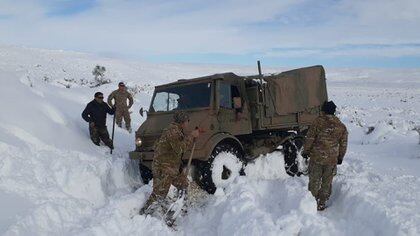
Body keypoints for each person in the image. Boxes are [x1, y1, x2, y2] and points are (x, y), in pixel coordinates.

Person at [140, 111, 200, 216]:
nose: (188, 123)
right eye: (187, 121)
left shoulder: (177, 130)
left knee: (183, 184)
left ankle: (180, 206)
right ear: (182, 122)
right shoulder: (173, 131)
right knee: (159, 194)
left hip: (171, 167)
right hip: (163, 167)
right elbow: (179, 148)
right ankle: (144, 215)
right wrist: (191, 136)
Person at [302, 101, 348, 211]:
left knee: (314, 181)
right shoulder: (341, 126)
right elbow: (343, 144)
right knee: (327, 183)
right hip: (332, 160)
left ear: (323, 110)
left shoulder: (317, 123)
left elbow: (310, 138)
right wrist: (340, 157)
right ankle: (321, 203)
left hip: (316, 158)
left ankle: (312, 203)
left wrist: (306, 151)